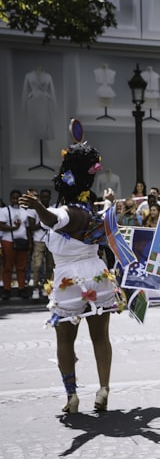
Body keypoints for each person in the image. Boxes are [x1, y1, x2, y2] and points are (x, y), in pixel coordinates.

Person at [18, 142, 124, 413]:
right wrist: (110, 201)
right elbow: (107, 215)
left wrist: (39, 207)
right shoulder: (97, 212)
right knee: (101, 337)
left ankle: (72, 396)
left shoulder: (69, 211)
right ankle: (103, 390)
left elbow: (54, 219)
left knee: (65, 339)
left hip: (69, 281)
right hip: (97, 276)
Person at [0, 189, 33, 300]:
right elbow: (1, 226)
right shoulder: (4, 211)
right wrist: (13, 228)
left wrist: (30, 242)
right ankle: (6, 289)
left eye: (17, 198)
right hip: (8, 241)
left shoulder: (25, 211)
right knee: (8, 267)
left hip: (22, 241)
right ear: (10, 199)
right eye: (13, 198)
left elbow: (28, 228)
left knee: (21, 267)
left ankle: (21, 288)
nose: (15, 200)